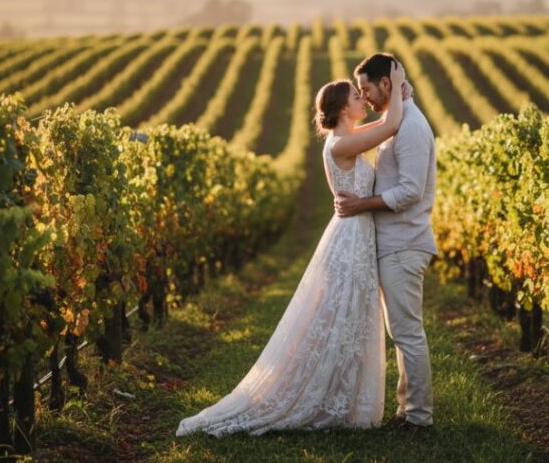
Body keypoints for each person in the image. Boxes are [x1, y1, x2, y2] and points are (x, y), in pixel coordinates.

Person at [175, 59, 408, 437]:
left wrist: (400, 96)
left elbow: (384, 124)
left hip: (355, 234)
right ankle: (328, 400)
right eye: (355, 95)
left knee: (350, 319)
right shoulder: (343, 144)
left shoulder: (346, 137)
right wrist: (396, 83)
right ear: (340, 108)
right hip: (350, 239)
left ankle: (344, 399)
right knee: (340, 319)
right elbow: (393, 124)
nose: (362, 98)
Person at [335, 52, 437, 429]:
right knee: (401, 333)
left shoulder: (409, 127)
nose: (366, 97)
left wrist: (362, 204)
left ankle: (420, 418)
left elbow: (410, 191)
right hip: (394, 243)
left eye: (367, 89)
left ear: (387, 84)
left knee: (408, 333)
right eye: (359, 91)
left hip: (405, 244)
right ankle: (405, 410)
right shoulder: (397, 120)